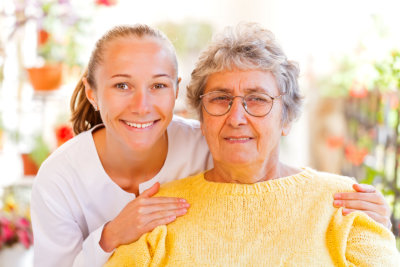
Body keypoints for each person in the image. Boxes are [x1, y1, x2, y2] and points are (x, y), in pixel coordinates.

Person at [30, 24, 392, 267]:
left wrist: (375, 215)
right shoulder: (153, 217)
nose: (237, 117)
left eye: (258, 99)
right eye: (220, 99)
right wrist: (110, 236)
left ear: (287, 116)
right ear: (201, 118)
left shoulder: (343, 210)